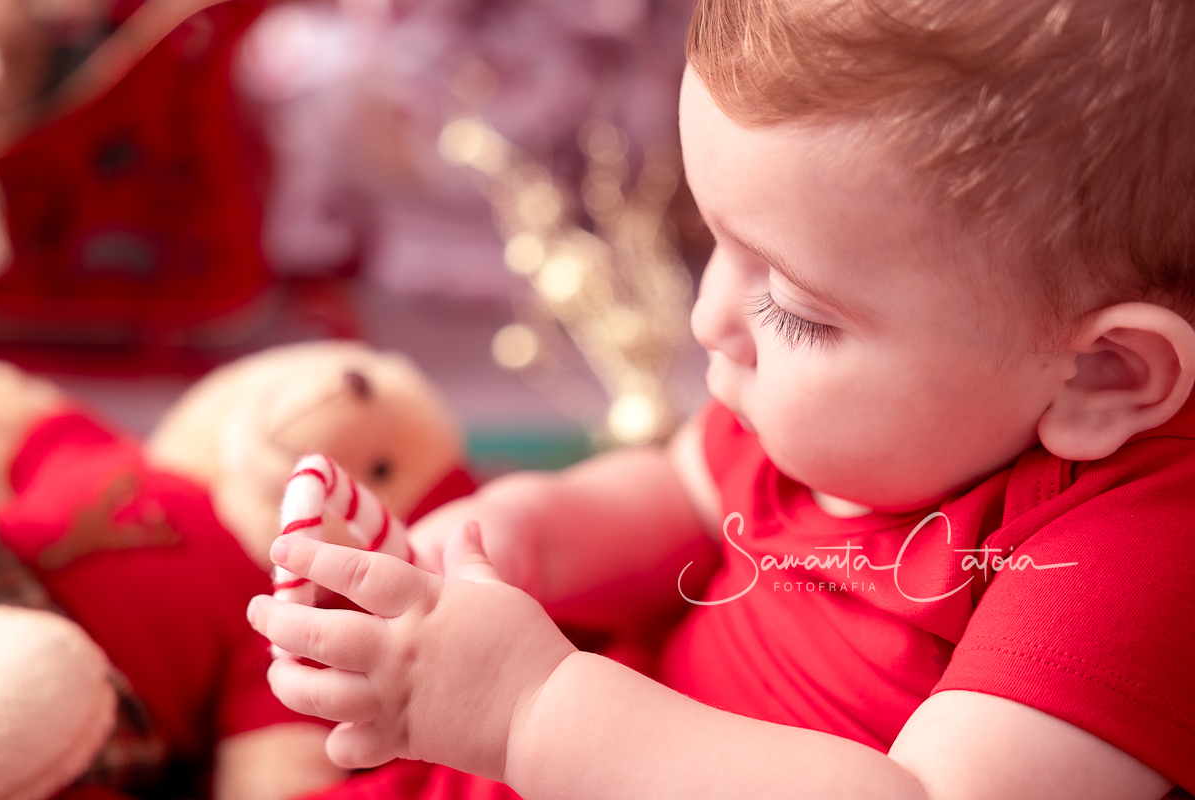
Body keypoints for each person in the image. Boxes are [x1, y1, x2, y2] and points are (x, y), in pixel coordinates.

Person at [245, 0, 1195, 797]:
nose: (707, 320)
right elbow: (683, 495)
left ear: (1101, 374)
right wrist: (520, 538)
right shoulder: (835, 417)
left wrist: (530, 709)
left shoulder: (1132, 553)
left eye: (793, 306)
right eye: (711, 246)